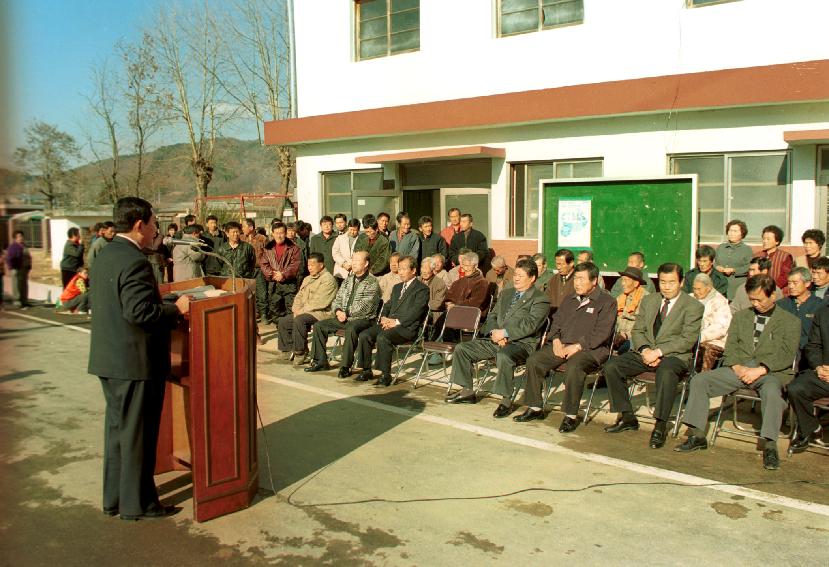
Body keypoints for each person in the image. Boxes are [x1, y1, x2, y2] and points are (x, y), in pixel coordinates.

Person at [87, 196, 191, 521]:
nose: (155, 229)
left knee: (119, 434)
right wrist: (177, 309)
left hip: (110, 359)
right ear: (138, 225)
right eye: (153, 223)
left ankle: (115, 499)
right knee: (138, 436)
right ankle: (139, 505)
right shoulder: (134, 261)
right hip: (134, 363)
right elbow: (139, 312)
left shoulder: (105, 254)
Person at [675, 274, 800, 470]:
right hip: (739, 368)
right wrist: (738, 367)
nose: (755, 303)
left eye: (760, 299)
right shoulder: (741, 317)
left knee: (772, 394)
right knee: (700, 380)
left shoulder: (790, 321)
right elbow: (731, 347)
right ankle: (697, 435)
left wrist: (760, 370)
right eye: (752, 299)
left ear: (773, 296)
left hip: (769, 372)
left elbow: (787, 354)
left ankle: (769, 445)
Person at [602, 263, 703, 449]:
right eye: (663, 282)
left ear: (681, 282)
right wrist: (646, 350)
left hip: (674, 356)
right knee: (611, 367)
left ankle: (660, 425)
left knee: (666, 372)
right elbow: (638, 330)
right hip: (646, 352)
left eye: (671, 282)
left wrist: (659, 352)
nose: (666, 287)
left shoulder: (693, 306)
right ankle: (627, 416)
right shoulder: (649, 301)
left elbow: (687, 340)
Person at [513, 262, 616, 431]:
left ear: (594, 281)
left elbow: (602, 333)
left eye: (582, 279)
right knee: (535, 360)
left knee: (574, 366)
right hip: (563, 345)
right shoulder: (570, 299)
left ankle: (570, 415)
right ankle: (535, 407)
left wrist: (577, 346)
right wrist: (555, 341)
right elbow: (556, 323)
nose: (577, 283)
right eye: (575, 278)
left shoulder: (607, 302)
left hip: (592, 349)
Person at [447, 258, 550, 411]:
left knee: (504, 355)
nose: (515, 278)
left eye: (520, 276)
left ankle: (506, 401)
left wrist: (506, 334)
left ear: (532, 278)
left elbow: (531, 324)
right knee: (463, 348)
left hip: (521, 344)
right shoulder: (506, 294)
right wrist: (495, 332)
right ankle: (467, 391)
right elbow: (492, 316)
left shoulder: (540, 299)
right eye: (515, 274)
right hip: (496, 339)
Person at [355, 255, 430, 386]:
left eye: (403, 269)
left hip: (406, 328)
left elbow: (416, 312)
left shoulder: (422, 289)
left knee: (383, 337)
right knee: (365, 335)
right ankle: (366, 370)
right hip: (389, 324)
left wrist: (396, 322)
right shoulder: (397, 287)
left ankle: (385, 374)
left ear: (413, 270)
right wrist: (383, 317)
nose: (400, 272)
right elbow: (388, 305)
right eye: (399, 269)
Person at [305, 251, 380, 377]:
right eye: (353, 260)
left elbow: (365, 306)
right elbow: (337, 299)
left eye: (357, 260)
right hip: (343, 316)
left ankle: (345, 366)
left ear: (366, 263)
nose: (353, 263)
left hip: (363, 320)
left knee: (351, 329)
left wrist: (346, 313)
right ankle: (320, 361)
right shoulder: (348, 280)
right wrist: (338, 311)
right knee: (319, 326)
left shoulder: (372, 282)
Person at [277, 252, 337, 366]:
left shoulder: (328, 280)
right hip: (305, 312)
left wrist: (301, 312)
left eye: (312, 265)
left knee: (300, 320)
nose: (309, 268)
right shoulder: (308, 279)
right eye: (308, 265)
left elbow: (320, 302)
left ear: (321, 265)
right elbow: (299, 296)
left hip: (321, 313)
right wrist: (295, 309)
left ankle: (300, 352)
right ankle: (287, 349)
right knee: (283, 321)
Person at [787, 304, 829, 453]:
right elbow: (813, 346)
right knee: (795, 389)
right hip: (824, 372)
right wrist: (818, 367)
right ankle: (810, 428)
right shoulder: (824, 312)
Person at [261, 221, 302, 323]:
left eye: (282, 233)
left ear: (285, 233)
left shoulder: (294, 248)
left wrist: (283, 274)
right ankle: (280, 331)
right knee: (275, 309)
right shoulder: (268, 248)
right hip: (274, 283)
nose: (279, 236)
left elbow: (295, 264)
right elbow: (264, 264)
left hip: (289, 283)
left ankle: (290, 332)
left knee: (290, 309)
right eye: (277, 233)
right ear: (272, 234)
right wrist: (273, 274)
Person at [777, 267, 822, 354]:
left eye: (795, 283)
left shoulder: (819, 305)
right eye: (789, 283)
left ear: (807, 283)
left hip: (809, 353)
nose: (791, 286)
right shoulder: (781, 305)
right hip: (784, 351)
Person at [691, 273, 732, 351]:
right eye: (694, 289)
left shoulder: (720, 301)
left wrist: (700, 337)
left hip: (712, 341)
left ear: (709, 288)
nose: (696, 292)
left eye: (699, 289)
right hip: (690, 336)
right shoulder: (690, 297)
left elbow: (721, 327)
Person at [714, 219, 754, 300]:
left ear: (742, 233)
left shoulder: (747, 249)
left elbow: (749, 266)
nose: (732, 233)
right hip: (719, 284)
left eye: (735, 231)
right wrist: (717, 267)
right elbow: (713, 262)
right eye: (730, 230)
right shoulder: (720, 247)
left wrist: (734, 270)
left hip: (736, 286)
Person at [614, 266, 649, 353]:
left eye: (626, 280)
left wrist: (626, 335)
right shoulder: (620, 298)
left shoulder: (646, 299)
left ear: (636, 283)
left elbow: (645, 326)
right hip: (618, 337)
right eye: (622, 280)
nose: (623, 283)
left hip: (634, 340)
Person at [243, 218, 269, 322]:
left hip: (259, 269)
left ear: (251, 227)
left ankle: (263, 314)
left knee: (261, 292)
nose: (242, 229)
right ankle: (251, 313)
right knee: (247, 293)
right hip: (246, 271)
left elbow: (269, 254)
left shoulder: (262, 239)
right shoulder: (241, 238)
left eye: (244, 226)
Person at [760, 224, 793, 295]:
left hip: (777, 292)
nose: (765, 241)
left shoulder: (785, 256)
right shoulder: (757, 256)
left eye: (768, 239)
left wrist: (771, 289)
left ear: (777, 241)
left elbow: (785, 276)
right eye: (764, 238)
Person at [6, 230, 32, 308]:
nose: (21, 238)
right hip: (16, 268)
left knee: (24, 285)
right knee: (16, 285)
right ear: (15, 238)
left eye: (22, 236)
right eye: (19, 236)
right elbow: (9, 258)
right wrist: (12, 268)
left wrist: (29, 266)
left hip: (24, 268)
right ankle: (17, 300)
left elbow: (28, 257)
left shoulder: (24, 246)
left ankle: (24, 300)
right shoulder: (13, 247)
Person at [546, 249, 576, 314]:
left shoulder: (579, 279)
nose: (558, 267)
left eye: (561, 264)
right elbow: (546, 299)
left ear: (571, 263)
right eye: (557, 264)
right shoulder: (553, 279)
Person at [333, 218, 361, 283]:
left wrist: (352, 264)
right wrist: (343, 263)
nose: (352, 232)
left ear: (358, 230)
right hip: (340, 271)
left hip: (355, 271)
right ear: (348, 227)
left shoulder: (361, 239)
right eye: (351, 229)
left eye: (355, 230)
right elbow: (335, 253)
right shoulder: (340, 238)